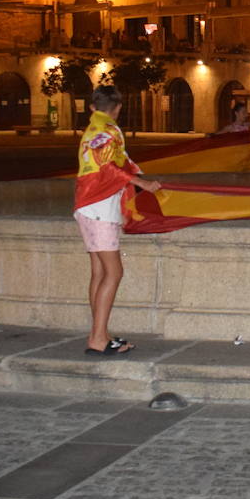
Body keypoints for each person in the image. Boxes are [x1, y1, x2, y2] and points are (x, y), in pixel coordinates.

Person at [75, 85, 162, 356]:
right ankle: (98, 338)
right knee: (114, 272)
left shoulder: (92, 129)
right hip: (99, 206)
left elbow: (112, 163)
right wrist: (141, 183)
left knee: (99, 272)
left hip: (88, 205)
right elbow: (108, 166)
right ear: (118, 108)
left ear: (92, 107)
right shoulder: (108, 130)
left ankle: (98, 333)